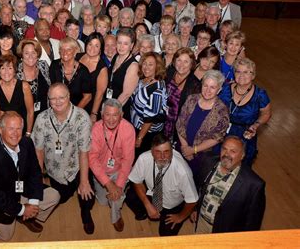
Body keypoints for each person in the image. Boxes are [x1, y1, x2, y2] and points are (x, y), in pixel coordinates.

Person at [0, 112, 60, 240]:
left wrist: (33, 202)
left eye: (19, 129)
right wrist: (22, 209)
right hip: (4, 197)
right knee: (6, 236)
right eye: (11, 128)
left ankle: (27, 216)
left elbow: (35, 171)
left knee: (54, 196)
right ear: (1, 130)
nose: (15, 133)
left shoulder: (26, 143)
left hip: (22, 189)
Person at [32, 83, 95, 234]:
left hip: (77, 167)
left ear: (69, 97)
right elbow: (38, 151)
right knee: (61, 198)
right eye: (53, 98)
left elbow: (84, 152)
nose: (57, 102)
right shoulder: (41, 119)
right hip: (55, 170)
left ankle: (86, 215)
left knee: (88, 196)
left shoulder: (82, 118)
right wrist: (39, 177)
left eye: (61, 97)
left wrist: (84, 181)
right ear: (48, 100)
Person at [125, 134, 198, 236]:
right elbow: (136, 180)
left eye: (166, 152)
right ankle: (146, 213)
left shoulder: (183, 172)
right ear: (151, 151)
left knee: (165, 234)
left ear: (172, 150)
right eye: (158, 152)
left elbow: (192, 201)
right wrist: (147, 205)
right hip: (153, 194)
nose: (163, 157)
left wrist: (180, 217)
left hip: (173, 205)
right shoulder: (143, 158)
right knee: (130, 197)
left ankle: (161, 217)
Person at [194, 136, 265, 233]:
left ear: (243, 155)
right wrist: (194, 209)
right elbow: (198, 186)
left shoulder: (253, 184)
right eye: (224, 149)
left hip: (226, 232)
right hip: (201, 223)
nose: (226, 154)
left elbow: (252, 221)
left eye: (233, 151)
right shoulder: (208, 161)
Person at [176, 70, 229, 186]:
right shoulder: (192, 99)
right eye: (205, 85)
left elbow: (217, 138)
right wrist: (185, 147)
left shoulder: (222, 111)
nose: (207, 90)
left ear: (219, 90)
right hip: (181, 148)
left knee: (190, 184)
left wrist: (193, 150)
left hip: (200, 157)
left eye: (212, 87)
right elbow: (180, 123)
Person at [89, 99, 135, 231]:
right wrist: (108, 183)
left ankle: (116, 216)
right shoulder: (96, 129)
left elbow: (128, 160)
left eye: (115, 115)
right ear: (102, 115)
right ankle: (112, 194)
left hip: (119, 170)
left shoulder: (128, 129)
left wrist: (118, 185)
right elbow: (92, 159)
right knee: (103, 202)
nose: (111, 119)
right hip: (101, 172)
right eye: (107, 114)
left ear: (121, 115)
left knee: (115, 196)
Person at [218, 57, 272, 165]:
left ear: (253, 75)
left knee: (241, 166)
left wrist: (255, 125)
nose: (241, 75)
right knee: (219, 161)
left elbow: (266, 113)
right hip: (222, 132)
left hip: (245, 134)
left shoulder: (260, 95)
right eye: (238, 71)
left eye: (246, 72)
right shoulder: (225, 89)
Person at [130, 52, 168, 157]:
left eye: (151, 64)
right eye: (145, 63)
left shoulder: (157, 90)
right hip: (137, 126)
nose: (146, 67)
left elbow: (149, 119)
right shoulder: (144, 80)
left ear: (157, 67)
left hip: (146, 133)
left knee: (140, 159)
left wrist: (139, 138)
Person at [0, 54, 34, 136]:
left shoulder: (24, 86)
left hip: (23, 130)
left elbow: (30, 112)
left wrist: (28, 133)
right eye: (3, 68)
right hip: (4, 132)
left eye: (10, 68)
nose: (6, 72)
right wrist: (9, 133)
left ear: (14, 70)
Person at [164, 48, 201, 139]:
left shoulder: (195, 84)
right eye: (179, 60)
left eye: (186, 61)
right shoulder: (168, 73)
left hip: (179, 126)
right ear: (174, 61)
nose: (181, 64)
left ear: (192, 64)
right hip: (162, 121)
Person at [49, 37, 92, 109]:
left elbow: (88, 96)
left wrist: (74, 113)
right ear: (59, 51)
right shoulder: (54, 65)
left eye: (69, 49)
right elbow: (52, 91)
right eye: (62, 49)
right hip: (57, 108)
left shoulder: (83, 71)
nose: (65, 52)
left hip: (78, 109)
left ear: (75, 51)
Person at [107, 27, 139, 119]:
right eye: (119, 42)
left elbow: (126, 94)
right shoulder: (116, 56)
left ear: (131, 46)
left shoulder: (133, 66)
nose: (121, 47)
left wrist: (111, 111)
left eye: (125, 44)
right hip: (109, 102)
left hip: (119, 108)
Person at [16, 39, 51, 118]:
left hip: (45, 116)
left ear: (37, 54)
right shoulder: (15, 73)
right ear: (21, 55)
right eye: (26, 53)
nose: (30, 56)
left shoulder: (44, 66)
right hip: (23, 117)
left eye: (33, 53)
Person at [78, 32, 108, 122]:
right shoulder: (78, 56)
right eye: (90, 44)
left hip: (89, 107)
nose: (92, 48)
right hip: (74, 102)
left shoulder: (102, 68)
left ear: (100, 49)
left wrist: (93, 113)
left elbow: (99, 94)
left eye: (96, 46)